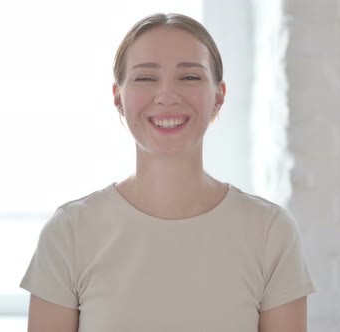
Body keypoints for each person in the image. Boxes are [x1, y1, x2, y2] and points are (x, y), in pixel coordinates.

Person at [20, 12, 316, 332]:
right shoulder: (69, 232)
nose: (167, 95)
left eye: (189, 77)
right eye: (146, 78)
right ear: (119, 99)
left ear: (218, 97)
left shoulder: (270, 231)